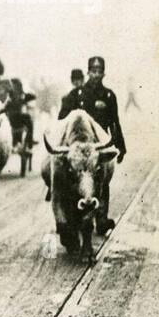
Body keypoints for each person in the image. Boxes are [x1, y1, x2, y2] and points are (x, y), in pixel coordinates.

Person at [58, 56, 127, 231]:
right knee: (78, 183)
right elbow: (62, 119)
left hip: (100, 146)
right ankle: (78, 220)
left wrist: (121, 146)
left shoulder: (109, 95)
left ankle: (101, 220)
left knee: (103, 181)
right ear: (88, 72)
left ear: (104, 73)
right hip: (80, 148)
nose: (96, 75)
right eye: (93, 71)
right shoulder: (78, 94)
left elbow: (114, 122)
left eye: (99, 71)